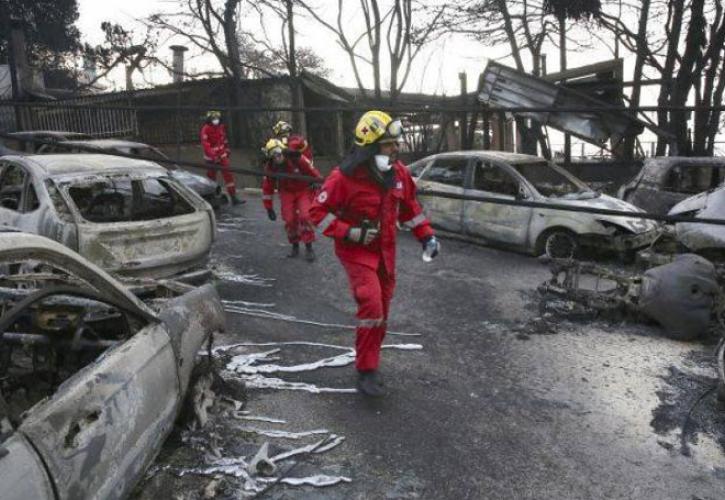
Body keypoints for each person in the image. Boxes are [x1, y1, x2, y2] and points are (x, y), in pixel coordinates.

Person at [309, 110, 440, 397]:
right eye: (388, 144)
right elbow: (317, 212)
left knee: (382, 312)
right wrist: (350, 232)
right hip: (356, 253)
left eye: (396, 143)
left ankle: (372, 362)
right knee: (372, 306)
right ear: (370, 146)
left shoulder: (399, 174)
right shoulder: (343, 178)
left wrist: (426, 235)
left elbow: (410, 210)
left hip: (386, 252)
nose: (396, 149)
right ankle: (366, 370)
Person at [262, 138, 322, 262]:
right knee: (289, 219)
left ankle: (309, 246)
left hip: (303, 189)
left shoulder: (297, 159)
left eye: (279, 153)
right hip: (286, 192)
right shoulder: (271, 168)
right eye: (274, 156)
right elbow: (267, 187)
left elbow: (312, 171)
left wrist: (318, 182)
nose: (277, 157)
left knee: (305, 216)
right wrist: (269, 207)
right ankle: (295, 245)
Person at [201, 110, 243, 205]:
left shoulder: (221, 127)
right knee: (211, 179)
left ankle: (233, 197)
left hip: (222, 156)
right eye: (213, 119)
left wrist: (227, 149)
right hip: (211, 159)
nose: (216, 120)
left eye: (217, 118)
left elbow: (224, 139)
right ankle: (210, 198)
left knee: (229, 176)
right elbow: (206, 145)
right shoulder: (205, 129)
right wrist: (213, 156)